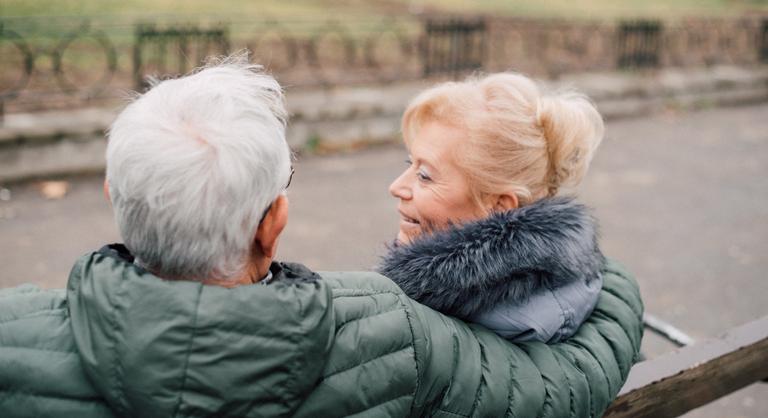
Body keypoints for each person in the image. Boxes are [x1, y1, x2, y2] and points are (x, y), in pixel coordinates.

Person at [0, 55, 643, 418]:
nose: (400, 185)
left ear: (115, 197)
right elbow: (558, 386)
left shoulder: (14, 334)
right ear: (273, 222)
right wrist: (605, 277)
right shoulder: (390, 330)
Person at [380, 73, 608, 343]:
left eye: (425, 176)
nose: (396, 187)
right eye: (411, 166)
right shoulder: (576, 277)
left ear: (500, 207)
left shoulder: (437, 333)